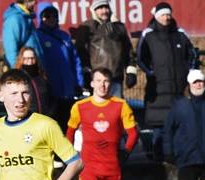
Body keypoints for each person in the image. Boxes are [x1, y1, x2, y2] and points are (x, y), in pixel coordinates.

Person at [136, 1, 196, 160]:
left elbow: (192, 55)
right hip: (157, 94)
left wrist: (187, 73)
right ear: (156, 16)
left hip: (178, 92)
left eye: (168, 14)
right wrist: (151, 73)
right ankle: (158, 162)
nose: (166, 17)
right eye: (163, 14)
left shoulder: (180, 34)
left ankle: (178, 159)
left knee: (178, 129)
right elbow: (140, 58)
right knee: (159, 132)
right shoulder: (148, 35)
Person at [74, 0, 138, 98]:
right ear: (94, 10)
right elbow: (80, 52)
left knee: (116, 110)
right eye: (100, 8)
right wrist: (86, 74)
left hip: (116, 79)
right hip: (97, 80)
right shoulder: (87, 27)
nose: (104, 11)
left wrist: (131, 72)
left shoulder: (118, 27)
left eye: (106, 7)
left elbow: (128, 52)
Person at [36, 3, 84, 132]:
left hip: (67, 92)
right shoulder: (37, 37)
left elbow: (75, 61)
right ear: (41, 18)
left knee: (68, 127)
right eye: (47, 15)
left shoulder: (64, 36)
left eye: (54, 15)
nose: (51, 18)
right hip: (50, 91)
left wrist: (79, 82)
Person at [14, 46, 56, 119]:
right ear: (21, 60)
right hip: (28, 120)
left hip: (46, 118)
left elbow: (51, 98)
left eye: (32, 58)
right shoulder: (17, 78)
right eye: (26, 59)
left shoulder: (43, 76)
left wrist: (51, 113)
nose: (30, 61)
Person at [2, 0, 43, 69]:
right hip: (23, 73)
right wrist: (17, 73)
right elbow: (11, 50)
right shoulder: (14, 19)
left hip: (33, 70)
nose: (35, 2)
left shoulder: (26, 17)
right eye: (32, 0)